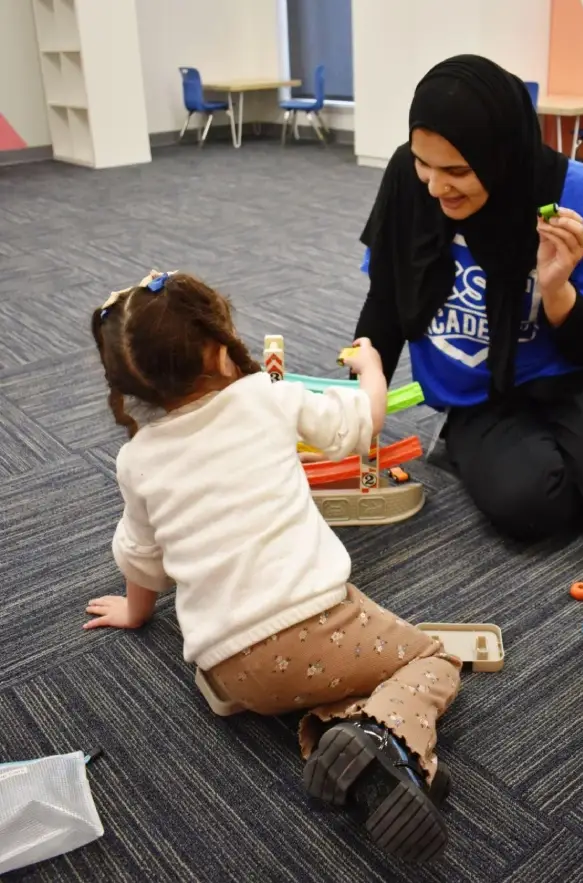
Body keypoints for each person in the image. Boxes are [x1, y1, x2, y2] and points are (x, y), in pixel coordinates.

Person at [84, 270, 461, 863]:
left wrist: (135, 612)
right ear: (218, 350)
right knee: (433, 661)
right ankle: (380, 733)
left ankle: (339, 736)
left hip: (229, 669)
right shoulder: (266, 397)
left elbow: (141, 554)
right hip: (319, 627)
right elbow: (363, 424)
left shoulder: (136, 459)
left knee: (309, 673)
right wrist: (372, 371)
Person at [354, 55, 583, 542]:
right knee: (530, 510)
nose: (435, 186)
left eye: (456, 170)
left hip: (575, 373)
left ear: (500, 156)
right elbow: (386, 303)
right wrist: (358, 400)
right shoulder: (408, 181)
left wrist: (556, 288)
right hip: (479, 393)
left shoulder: (577, 195)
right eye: (422, 163)